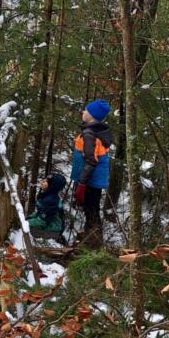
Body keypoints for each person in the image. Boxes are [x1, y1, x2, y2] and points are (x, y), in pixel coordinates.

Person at [71, 99, 113, 248]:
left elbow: (90, 161)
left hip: (90, 181)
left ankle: (93, 245)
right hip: (92, 181)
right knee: (91, 210)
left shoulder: (90, 134)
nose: (83, 112)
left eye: (86, 110)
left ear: (93, 116)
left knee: (92, 212)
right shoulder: (95, 131)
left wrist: (81, 184)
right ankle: (91, 242)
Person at [28, 173, 67, 241]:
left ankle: (56, 240)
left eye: (46, 181)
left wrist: (26, 223)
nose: (42, 182)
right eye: (44, 180)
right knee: (28, 225)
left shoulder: (51, 200)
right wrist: (29, 218)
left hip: (54, 231)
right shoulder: (47, 195)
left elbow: (42, 221)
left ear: (52, 186)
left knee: (28, 231)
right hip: (50, 225)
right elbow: (40, 213)